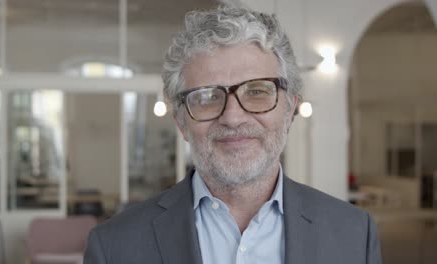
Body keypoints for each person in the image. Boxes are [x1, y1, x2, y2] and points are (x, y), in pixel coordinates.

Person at [84, 6, 382, 264]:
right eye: (207, 97)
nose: (233, 117)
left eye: (256, 92)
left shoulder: (354, 234)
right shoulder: (115, 246)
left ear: (290, 108)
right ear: (180, 122)